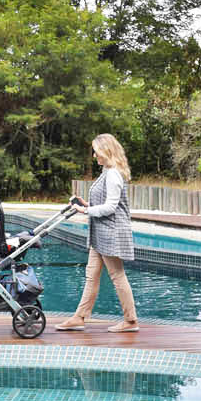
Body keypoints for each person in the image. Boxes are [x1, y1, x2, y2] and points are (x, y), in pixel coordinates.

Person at [56, 133, 139, 332]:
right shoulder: (106, 171)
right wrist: (85, 204)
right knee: (91, 275)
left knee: (117, 275)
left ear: (106, 151)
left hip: (110, 232)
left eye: (96, 151)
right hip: (100, 233)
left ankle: (130, 321)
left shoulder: (113, 175)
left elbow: (111, 207)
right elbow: (105, 202)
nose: (94, 156)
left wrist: (86, 210)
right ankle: (80, 317)